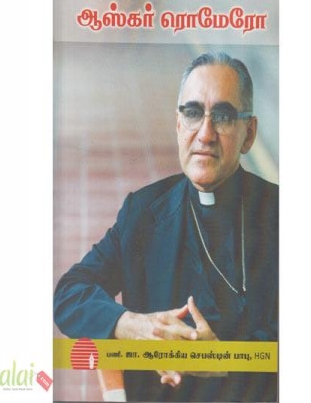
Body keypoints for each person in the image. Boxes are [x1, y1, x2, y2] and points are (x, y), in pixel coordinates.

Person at [54, 52, 278, 402]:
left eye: (222, 116)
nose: (205, 134)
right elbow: (70, 294)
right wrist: (135, 326)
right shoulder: (143, 213)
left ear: (248, 134)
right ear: (178, 126)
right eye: (193, 113)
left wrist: (223, 361)